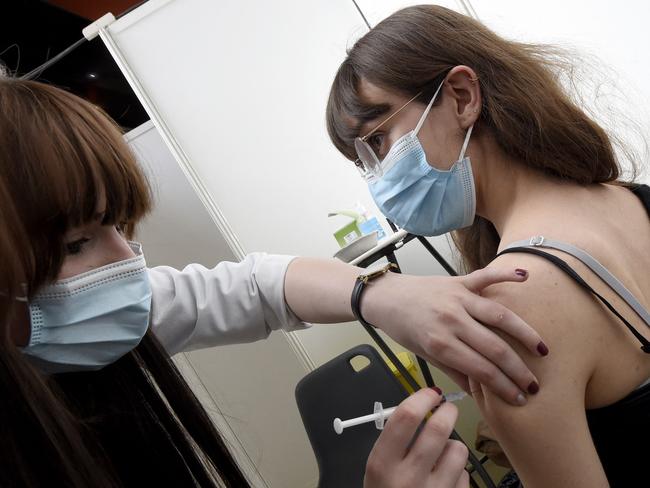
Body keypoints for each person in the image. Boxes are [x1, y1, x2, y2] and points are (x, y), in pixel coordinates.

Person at [0, 73, 544, 486]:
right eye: (76, 244)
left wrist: (377, 293)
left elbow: (256, 286)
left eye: (119, 226)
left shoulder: (85, 311)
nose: (131, 265)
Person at [326, 4, 650, 487]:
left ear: (460, 96)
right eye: (363, 162)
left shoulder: (514, 302)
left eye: (378, 141)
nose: (379, 177)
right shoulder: (630, 200)